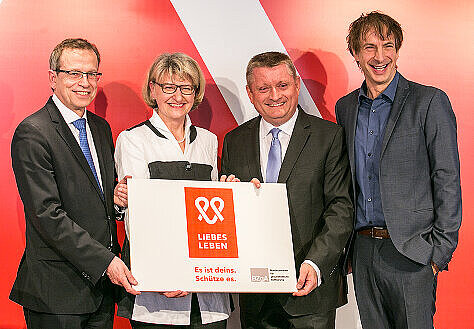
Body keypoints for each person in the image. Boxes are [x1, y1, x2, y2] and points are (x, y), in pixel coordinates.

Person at [335, 11, 462, 329]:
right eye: (369, 48)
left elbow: (446, 177)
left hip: (412, 253)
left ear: (397, 49)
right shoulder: (345, 108)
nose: (380, 57)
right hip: (363, 252)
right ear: (355, 54)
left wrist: (438, 252)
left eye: (388, 46)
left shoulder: (428, 101)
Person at [10, 38, 138, 329]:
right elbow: (47, 215)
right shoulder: (33, 132)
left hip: (101, 293)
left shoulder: (100, 128)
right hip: (56, 293)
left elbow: (98, 200)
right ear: (53, 78)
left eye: (92, 74)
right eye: (74, 73)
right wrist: (105, 261)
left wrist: (117, 201)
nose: (85, 82)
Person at [220, 51, 353, 329]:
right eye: (263, 88)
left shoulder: (328, 136)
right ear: (250, 93)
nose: (274, 95)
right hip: (255, 295)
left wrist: (316, 264)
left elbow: (341, 209)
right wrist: (226, 199)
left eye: (282, 85)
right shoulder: (235, 140)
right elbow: (228, 217)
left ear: (296, 85)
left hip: (310, 292)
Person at [114, 52, 232, 328]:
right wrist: (161, 274)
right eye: (168, 87)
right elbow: (137, 216)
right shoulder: (133, 140)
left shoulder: (208, 141)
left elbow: (212, 215)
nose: (177, 96)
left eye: (186, 88)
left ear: (195, 93)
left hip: (208, 292)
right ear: (153, 90)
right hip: (157, 293)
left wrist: (231, 195)